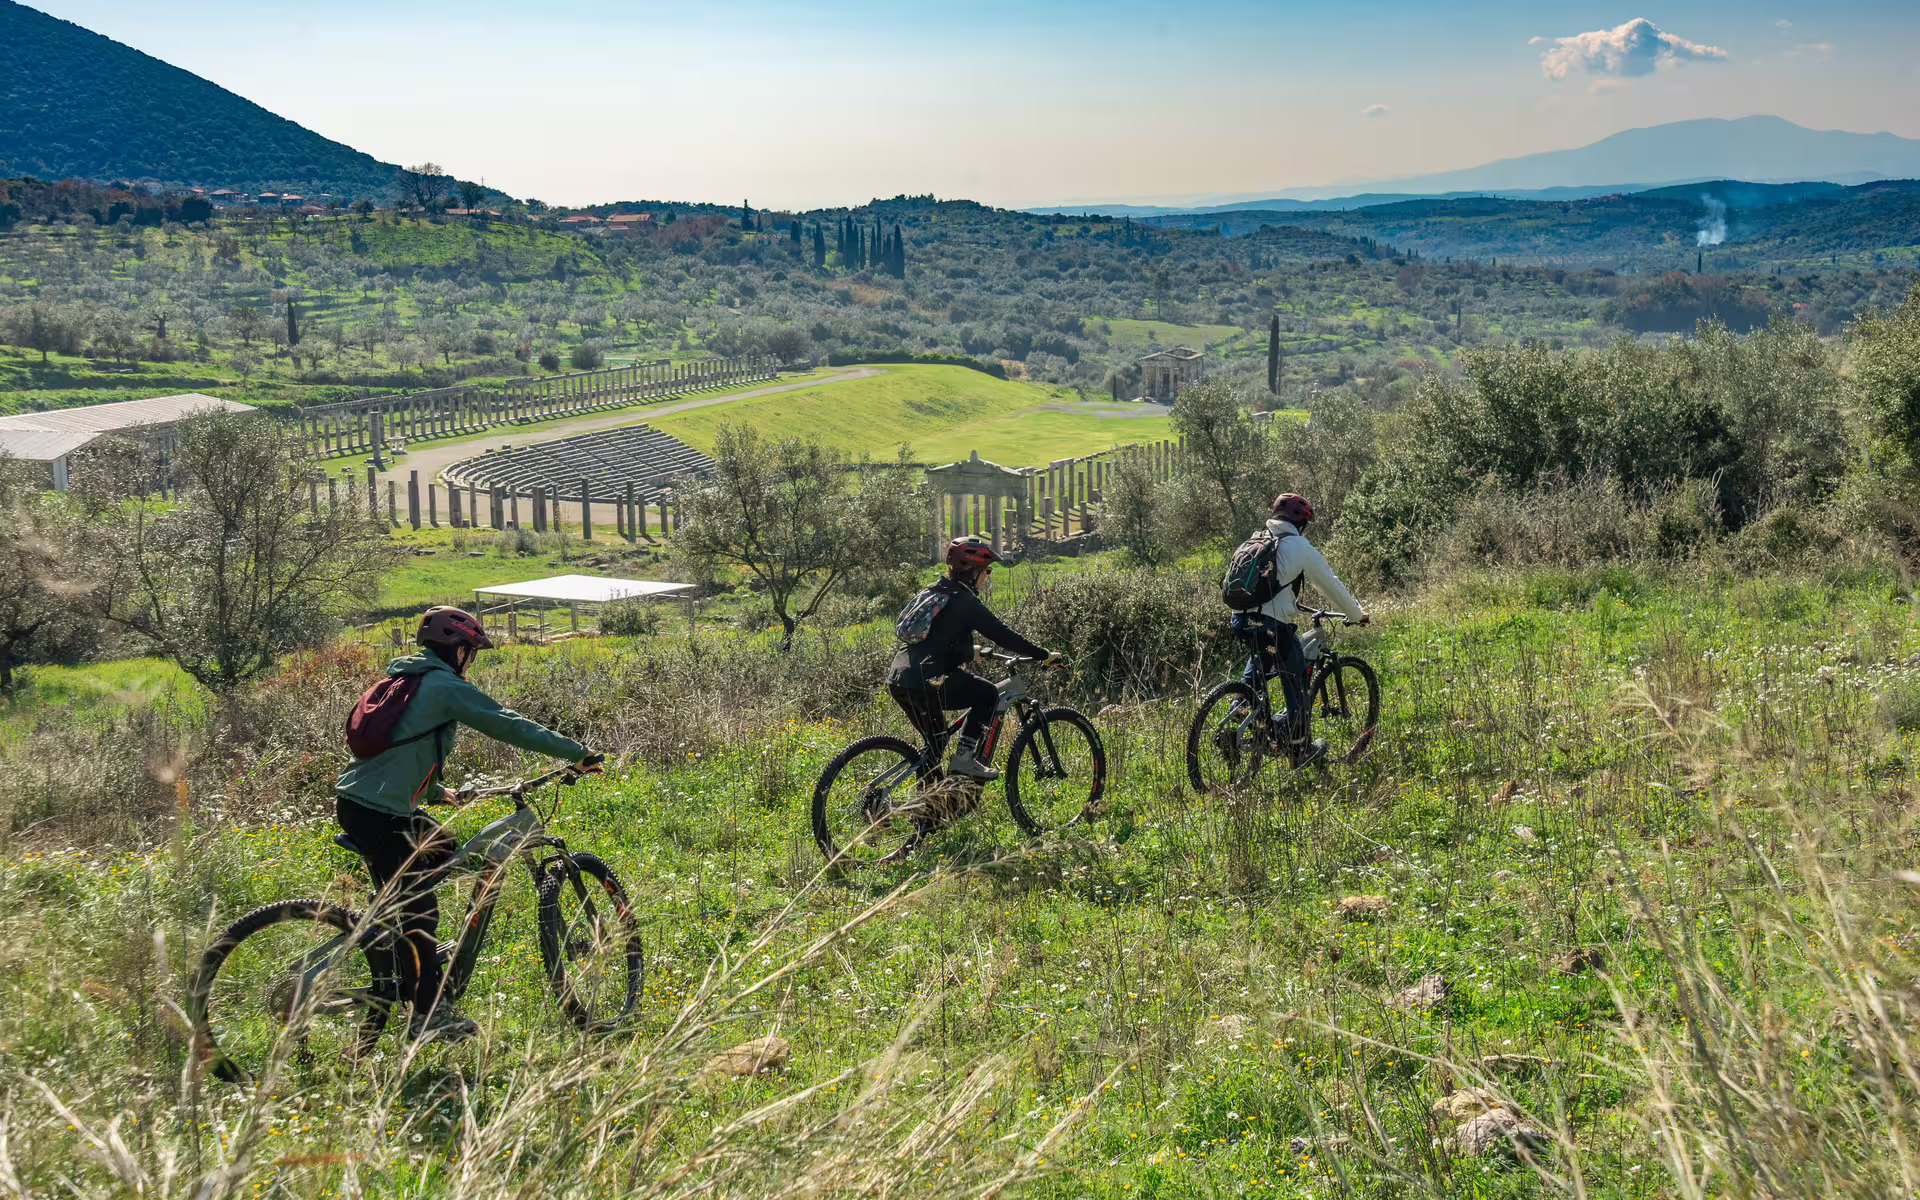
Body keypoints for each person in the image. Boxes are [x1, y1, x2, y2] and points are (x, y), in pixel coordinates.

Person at [334, 606, 602, 1043]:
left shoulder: (406, 679)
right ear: (458, 651)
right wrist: (577, 752)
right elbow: (506, 723)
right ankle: (427, 1017)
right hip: (379, 813)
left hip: (365, 804)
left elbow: (400, 747)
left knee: (442, 845)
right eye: (470, 652)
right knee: (421, 910)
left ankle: (395, 933)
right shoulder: (441, 684)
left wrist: (437, 792)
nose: (470, 660)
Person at [887, 535, 1059, 781]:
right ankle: (965, 760)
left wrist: (969, 651)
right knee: (987, 694)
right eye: (987, 570)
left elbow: (936, 638)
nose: (988, 575)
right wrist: (1043, 655)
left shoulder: (937, 591)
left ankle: (927, 815)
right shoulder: (965, 601)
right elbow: (1003, 635)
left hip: (900, 677)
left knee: (934, 749)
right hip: (926, 680)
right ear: (973, 571)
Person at [1232, 493, 1369, 767]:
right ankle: (1300, 749)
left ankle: (1240, 707)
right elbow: (1330, 584)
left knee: (1260, 659)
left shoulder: (1254, 539)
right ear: (1301, 523)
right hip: (1274, 625)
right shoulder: (1299, 546)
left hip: (1240, 620)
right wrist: (1356, 614)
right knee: (1296, 682)